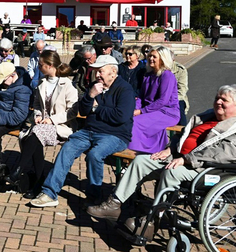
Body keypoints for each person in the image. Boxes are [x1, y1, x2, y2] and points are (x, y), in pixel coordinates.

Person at [87, 85, 236, 237]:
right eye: (217, 98)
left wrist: (186, 160)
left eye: (224, 100)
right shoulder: (207, 117)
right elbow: (183, 136)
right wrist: (170, 149)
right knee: (141, 161)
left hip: (203, 168)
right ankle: (114, 204)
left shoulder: (234, 128)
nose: (218, 102)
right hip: (179, 158)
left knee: (171, 172)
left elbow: (221, 154)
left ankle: (152, 220)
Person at [30, 55, 135, 208]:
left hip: (115, 135)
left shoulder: (124, 89)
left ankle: (94, 197)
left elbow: (120, 116)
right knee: (67, 148)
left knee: (95, 155)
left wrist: (97, 108)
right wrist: (91, 95)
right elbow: (84, 111)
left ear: (113, 71)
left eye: (101, 71)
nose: (97, 75)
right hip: (88, 131)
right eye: (96, 71)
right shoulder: (94, 86)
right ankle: (49, 193)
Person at [8, 50, 78, 198]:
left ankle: (18, 170)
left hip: (61, 126)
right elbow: (37, 104)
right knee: (32, 138)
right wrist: (38, 115)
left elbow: (73, 111)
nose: (38, 67)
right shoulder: (42, 82)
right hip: (42, 126)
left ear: (50, 65)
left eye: (41, 65)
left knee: (33, 135)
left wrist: (52, 120)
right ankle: (38, 183)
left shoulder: (67, 85)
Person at [128, 46, 180, 154]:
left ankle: (137, 152)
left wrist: (141, 111)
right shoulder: (148, 75)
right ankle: (150, 149)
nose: (151, 58)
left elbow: (163, 101)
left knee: (135, 122)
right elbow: (141, 97)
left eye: (154, 56)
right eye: (149, 56)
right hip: (151, 110)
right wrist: (135, 108)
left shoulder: (167, 75)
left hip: (167, 112)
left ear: (162, 59)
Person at [170, 50, 190, 126]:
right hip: (160, 99)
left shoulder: (180, 70)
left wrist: (169, 101)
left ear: (173, 60)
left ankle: (183, 132)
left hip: (177, 98)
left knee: (178, 106)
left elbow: (182, 90)